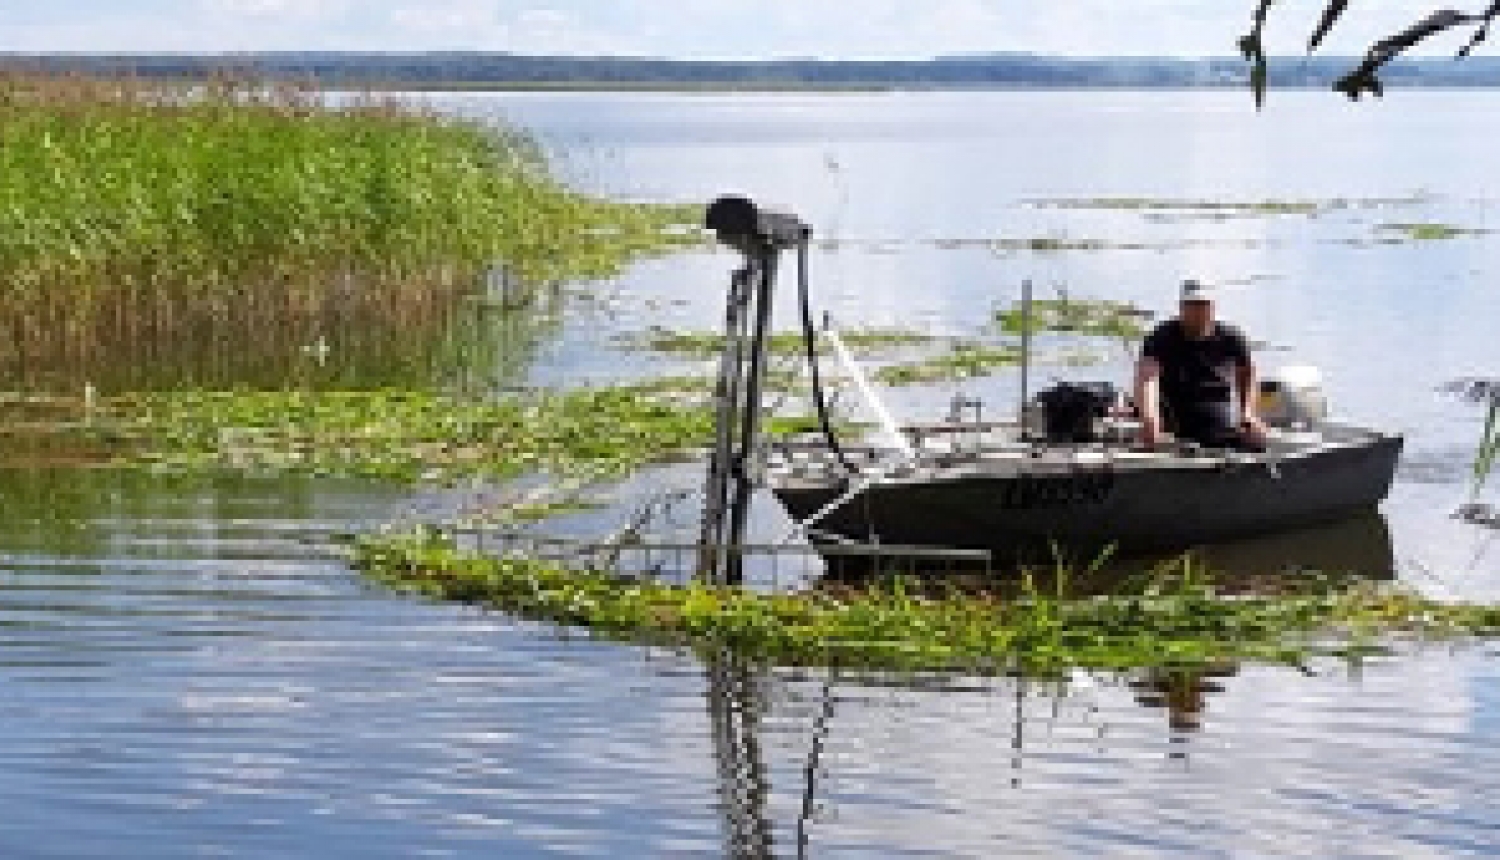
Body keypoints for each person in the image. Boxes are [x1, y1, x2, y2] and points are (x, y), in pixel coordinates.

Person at [1133, 280, 1268, 450]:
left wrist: (1247, 413)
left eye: (1203, 305)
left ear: (1212, 307)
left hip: (1219, 412)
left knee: (1257, 438)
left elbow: (1247, 373)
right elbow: (1146, 378)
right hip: (1176, 414)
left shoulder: (1230, 337)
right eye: (1192, 305)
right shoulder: (1161, 338)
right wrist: (1150, 416)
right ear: (1181, 307)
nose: (1198, 311)